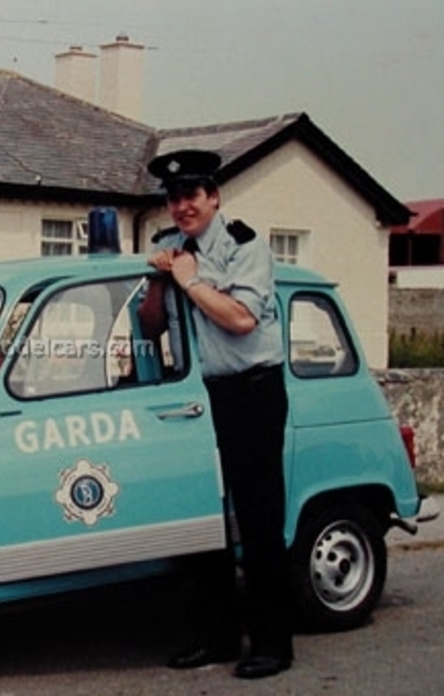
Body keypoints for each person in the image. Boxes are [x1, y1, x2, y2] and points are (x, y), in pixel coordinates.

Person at [145, 149, 293, 679]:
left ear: (214, 197)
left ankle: (273, 643)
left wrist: (188, 279)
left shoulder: (246, 247)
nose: (182, 206)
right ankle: (219, 635)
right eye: (174, 197)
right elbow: (150, 326)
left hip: (253, 390)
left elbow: (241, 319)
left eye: (192, 195)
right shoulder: (167, 246)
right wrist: (160, 280)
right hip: (201, 395)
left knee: (258, 518)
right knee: (202, 518)